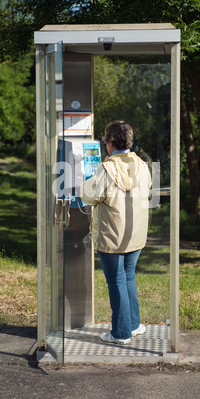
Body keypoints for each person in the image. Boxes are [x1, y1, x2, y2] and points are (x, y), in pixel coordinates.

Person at [81, 120, 152, 344]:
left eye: (106, 142)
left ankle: (120, 333)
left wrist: (85, 180)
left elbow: (90, 196)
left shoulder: (107, 168)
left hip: (112, 235)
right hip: (135, 234)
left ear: (110, 143)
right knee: (128, 276)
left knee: (116, 281)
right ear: (129, 142)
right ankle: (133, 324)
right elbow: (147, 188)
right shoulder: (142, 164)